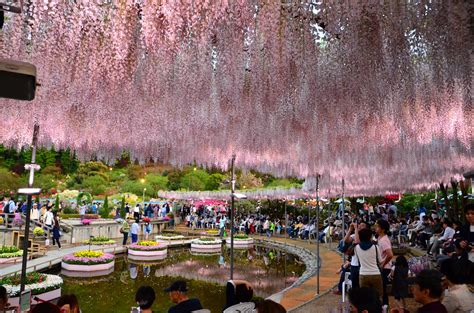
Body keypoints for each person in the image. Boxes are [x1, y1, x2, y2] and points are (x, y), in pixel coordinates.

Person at [354, 228, 383, 299]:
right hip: (375, 273)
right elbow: (380, 261)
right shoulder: (376, 247)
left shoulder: (356, 248)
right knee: (378, 296)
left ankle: (366, 309)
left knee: (364, 297)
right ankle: (378, 309)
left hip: (363, 274)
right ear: (370, 237)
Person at [375, 219, 393, 307]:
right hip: (382, 267)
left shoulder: (384, 240)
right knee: (381, 290)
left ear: (383, 229)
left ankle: (385, 307)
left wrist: (383, 264)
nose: (376, 228)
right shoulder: (379, 238)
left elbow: (390, 254)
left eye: (378, 226)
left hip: (385, 268)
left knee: (383, 290)